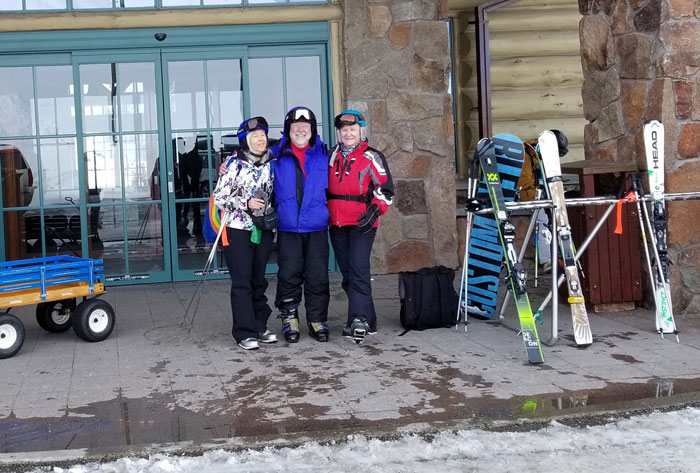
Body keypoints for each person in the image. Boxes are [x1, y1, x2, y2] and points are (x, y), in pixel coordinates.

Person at [327, 110, 393, 343]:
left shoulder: (372, 157)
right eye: (344, 130)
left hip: (362, 222)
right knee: (348, 275)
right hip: (336, 222)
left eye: (352, 130)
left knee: (358, 270)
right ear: (339, 132)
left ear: (361, 131)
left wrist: (376, 208)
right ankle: (369, 320)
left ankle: (358, 320)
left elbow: (385, 190)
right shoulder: (330, 156)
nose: (348, 134)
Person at [212, 116, 277, 351]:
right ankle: (244, 332)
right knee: (242, 282)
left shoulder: (273, 161)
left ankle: (260, 325)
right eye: (255, 136)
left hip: (264, 229)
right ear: (246, 140)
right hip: (238, 230)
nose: (260, 140)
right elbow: (219, 198)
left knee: (258, 280)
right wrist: (245, 203)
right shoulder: (233, 164)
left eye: (262, 136)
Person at [270, 106, 331, 343]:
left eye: (305, 127)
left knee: (317, 276)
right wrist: (228, 163)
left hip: (316, 227)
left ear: (312, 130)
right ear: (288, 130)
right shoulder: (275, 154)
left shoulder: (325, 155)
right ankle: (290, 318)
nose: (301, 130)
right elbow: (248, 158)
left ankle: (317, 320)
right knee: (289, 274)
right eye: (296, 127)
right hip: (288, 227)